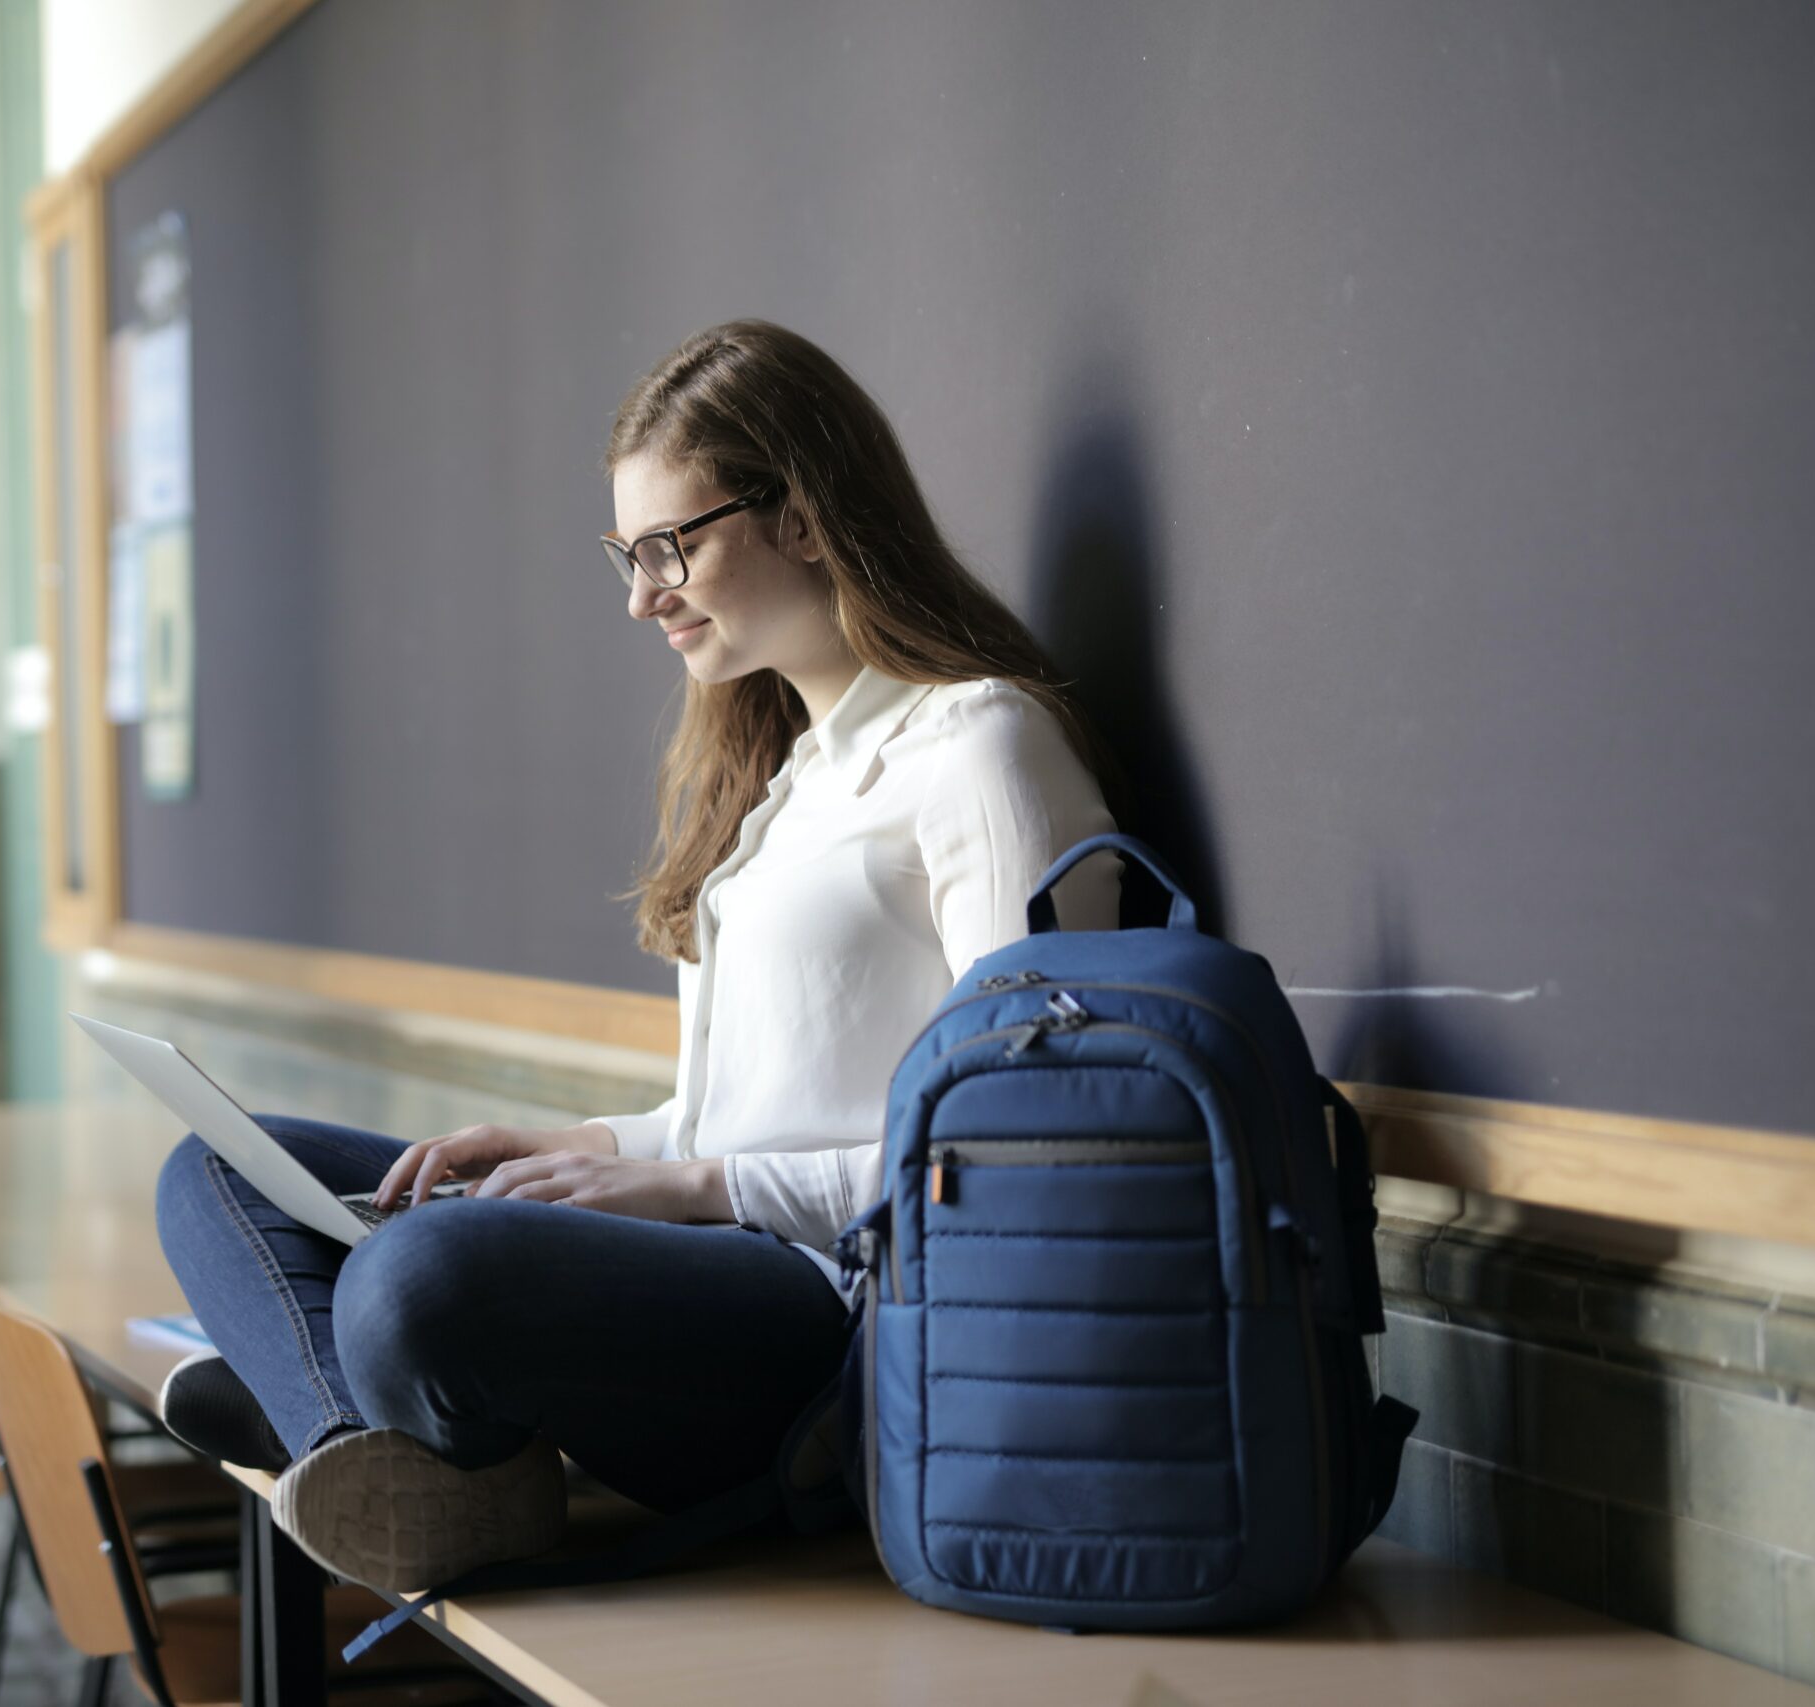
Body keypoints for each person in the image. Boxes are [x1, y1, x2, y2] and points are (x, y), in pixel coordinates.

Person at [153, 318, 1120, 1594]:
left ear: (807, 517)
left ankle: (355, 1405)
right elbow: (741, 1114)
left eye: (670, 546)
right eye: (626, 552)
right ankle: (379, 1454)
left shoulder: (979, 753)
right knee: (214, 1167)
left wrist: (696, 1192)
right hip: (719, 1250)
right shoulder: (786, 780)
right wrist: (590, 1149)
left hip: (844, 1318)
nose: (639, 593)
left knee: (418, 1275)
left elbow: (1026, 1147)